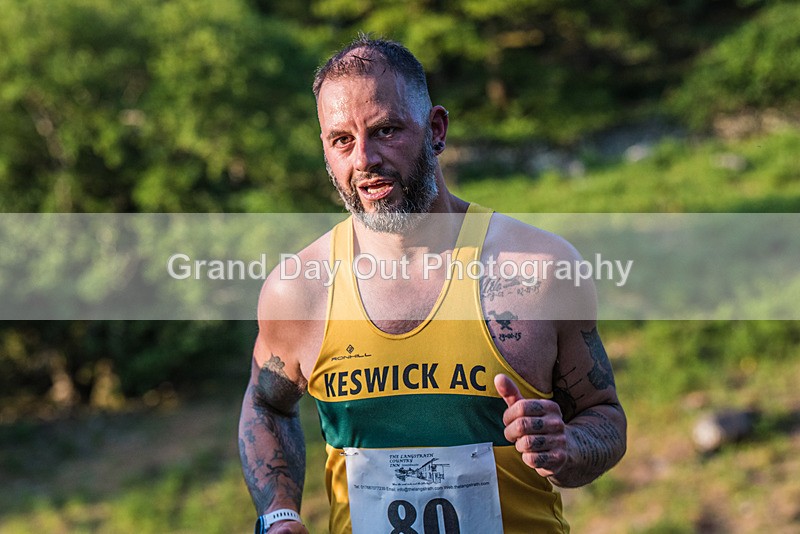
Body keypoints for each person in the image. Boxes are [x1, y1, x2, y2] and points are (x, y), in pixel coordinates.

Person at [239, 35, 626, 534]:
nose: (364, 160)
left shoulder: (538, 269)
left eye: (385, 130)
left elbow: (603, 417)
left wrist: (567, 448)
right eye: (342, 141)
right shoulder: (299, 291)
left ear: (436, 129)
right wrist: (278, 514)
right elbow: (266, 404)